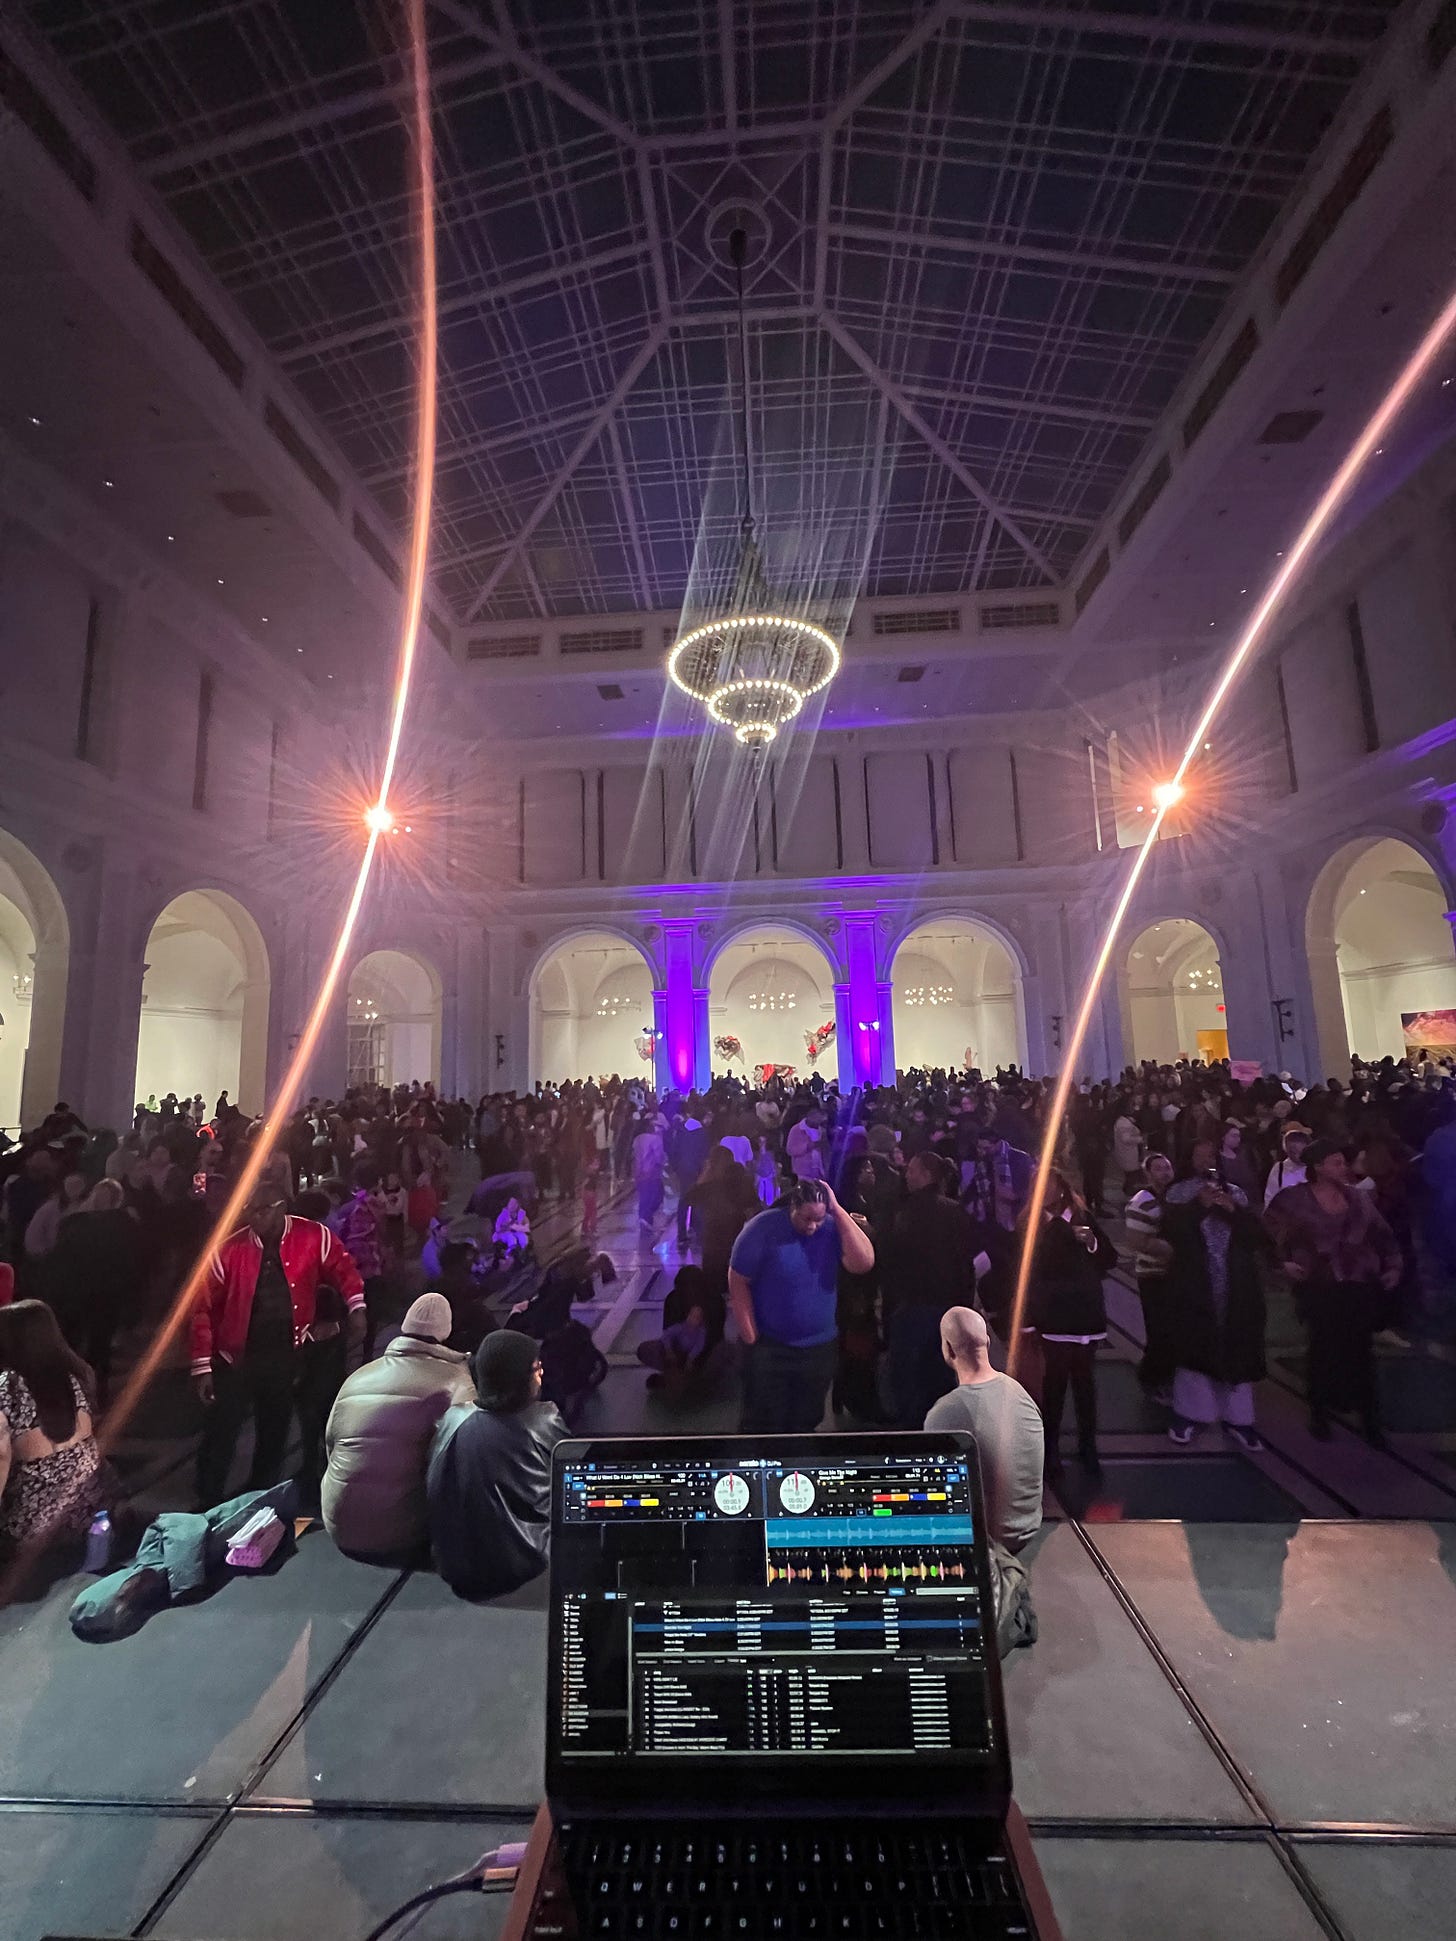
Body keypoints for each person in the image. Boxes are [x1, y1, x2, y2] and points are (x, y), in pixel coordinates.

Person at [191, 1156, 367, 1506]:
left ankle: (259, 1497)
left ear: (281, 1208)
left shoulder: (313, 1236)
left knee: (274, 1427)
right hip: (236, 1356)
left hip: (285, 1352)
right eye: (250, 1210)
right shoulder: (228, 1251)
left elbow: (344, 1269)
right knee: (221, 1431)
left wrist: (356, 1307)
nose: (254, 1217)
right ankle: (208, 1501)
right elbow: (201, 1309)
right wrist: (202, 1366)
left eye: (262, 1210)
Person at [321, 1293, 474, 1565]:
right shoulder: (458, 1382)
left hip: (338, 1525)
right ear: (447, 1331)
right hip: (401, 1536)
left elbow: (331, 1445)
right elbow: (465, 1464)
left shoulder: (359, 1375)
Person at [1267, 1140, 1402, 1446]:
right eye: (1336, 1162)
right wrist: (1283, 1263)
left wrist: (1393, 1266)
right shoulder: (1294, 1200)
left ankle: (1369, 1418)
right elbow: (1268, 1233)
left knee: (1361, 1352)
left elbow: (1383, 1235)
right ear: (1318, 1167)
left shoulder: (1357, 1199)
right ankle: (1319, 1411)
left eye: (1343, 1162)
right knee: (1322, 1348)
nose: (1344, 1168)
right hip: (1319, 1285)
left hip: (1358, 1285)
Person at [427, 1328, 569, 1599]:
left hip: (451, 1564)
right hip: (523, 1562)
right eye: (536, 1367)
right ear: (519, 1378)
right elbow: (571, 1479)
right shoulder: (543, 1420)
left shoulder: (453, 1417)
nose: (541, 1374)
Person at [729, 1179, 875, 1433]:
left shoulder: (832, 1227)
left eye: (818, 1218)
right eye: (806, 1218)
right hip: (771, 1346)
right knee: (763, 1420)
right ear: (792, 1207)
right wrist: (750, 1336)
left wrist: (837, 1210)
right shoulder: (763, 1228)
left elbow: (863, 1263)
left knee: (807, 1418)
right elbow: (738, 1279)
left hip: (818, 1347)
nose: (812, 1225)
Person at [880, 1151, 992, 1428]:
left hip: (912, 1305)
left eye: (912, 1170)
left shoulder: (906, 1212)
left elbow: (891, 1258)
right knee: (940, 1374)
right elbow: (968, 1263)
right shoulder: (955, 1211)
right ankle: (941, 1429)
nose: (906, 1175)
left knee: (908, 1376)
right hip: (947, 1308)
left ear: (926, 1174)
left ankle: (911, 1432)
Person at [1018, 1170, 1116, 1476]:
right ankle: (1050, 1450)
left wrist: (1092, 1242)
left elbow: (1109, 1259)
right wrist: (1029, 1320)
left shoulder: (1082, 1217)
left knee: (1085, 1384)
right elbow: (1027, 1273)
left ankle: (1088, 1446)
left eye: (1049, 1185)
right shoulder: (1034, 1224)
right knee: (1055, 1386)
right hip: (1055, 1315)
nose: (1043, 1191)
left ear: (1061, 1188)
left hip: (1086, 1312)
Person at [923, 1307, 1043, 1554]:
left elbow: (935, 1491)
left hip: (986, 1541)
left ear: (948, 1350)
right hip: (1029, 1529)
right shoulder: (1020, 1393)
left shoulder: (945, 1413)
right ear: (987, 1342)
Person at [1163, 1177, 1268, 1450]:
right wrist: (1199, 1207)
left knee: (1237, 1348)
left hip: (1237, 1286)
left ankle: (1239, 1419)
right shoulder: (1181, 1194)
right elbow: (1172, 1234)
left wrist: (1233, 1211)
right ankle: (1190, 1415)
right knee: (1195, 1348)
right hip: (1195, 1285)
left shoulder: (1236, 1195)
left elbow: (1256, 1238)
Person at [0, 1299, 102, 1558]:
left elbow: (1, 1456)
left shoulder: (8, 1386)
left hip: (29, 1535)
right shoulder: (76, 1376)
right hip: (83, 1520)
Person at [1123, 1154, 1176, 1401]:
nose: (1165, 1172)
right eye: (1158, 1168)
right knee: (1159, 1329)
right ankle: (1151, 1378)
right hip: (1152, 1274)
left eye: (1167, 1167)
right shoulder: (1142, 1201)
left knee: (1173, 1328)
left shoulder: (1176, 1197)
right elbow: (1136, 1241)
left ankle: (1167, 1375)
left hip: (1174, 1274)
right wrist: (1170, 1249)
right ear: (1148, 1173)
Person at [637, 1265, 712, 1387]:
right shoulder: (673, 1300)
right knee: (645, 1350)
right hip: (677, 1352)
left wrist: (693, 1356)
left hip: (703, 1354)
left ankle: (680, 1378)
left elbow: (713, 1337)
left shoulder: (712, 1300)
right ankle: (681, 1377)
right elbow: (668, 1333)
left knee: (723, 1354)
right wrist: (670, 1351)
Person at [1263, 1122, 1312, 1206]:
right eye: (1293, 1152)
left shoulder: (1316, 1167)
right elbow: (1270, 1197)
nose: (1297, 1156)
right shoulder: (1279, 1168)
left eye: (1301, 1152)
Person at [786, 1106, 826, 1182]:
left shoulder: (821, 1130)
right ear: (809, 1116)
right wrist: (808, 1146)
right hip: (803, 1172)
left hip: (819, 1172)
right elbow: (790, 1150)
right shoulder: (796, 1129)